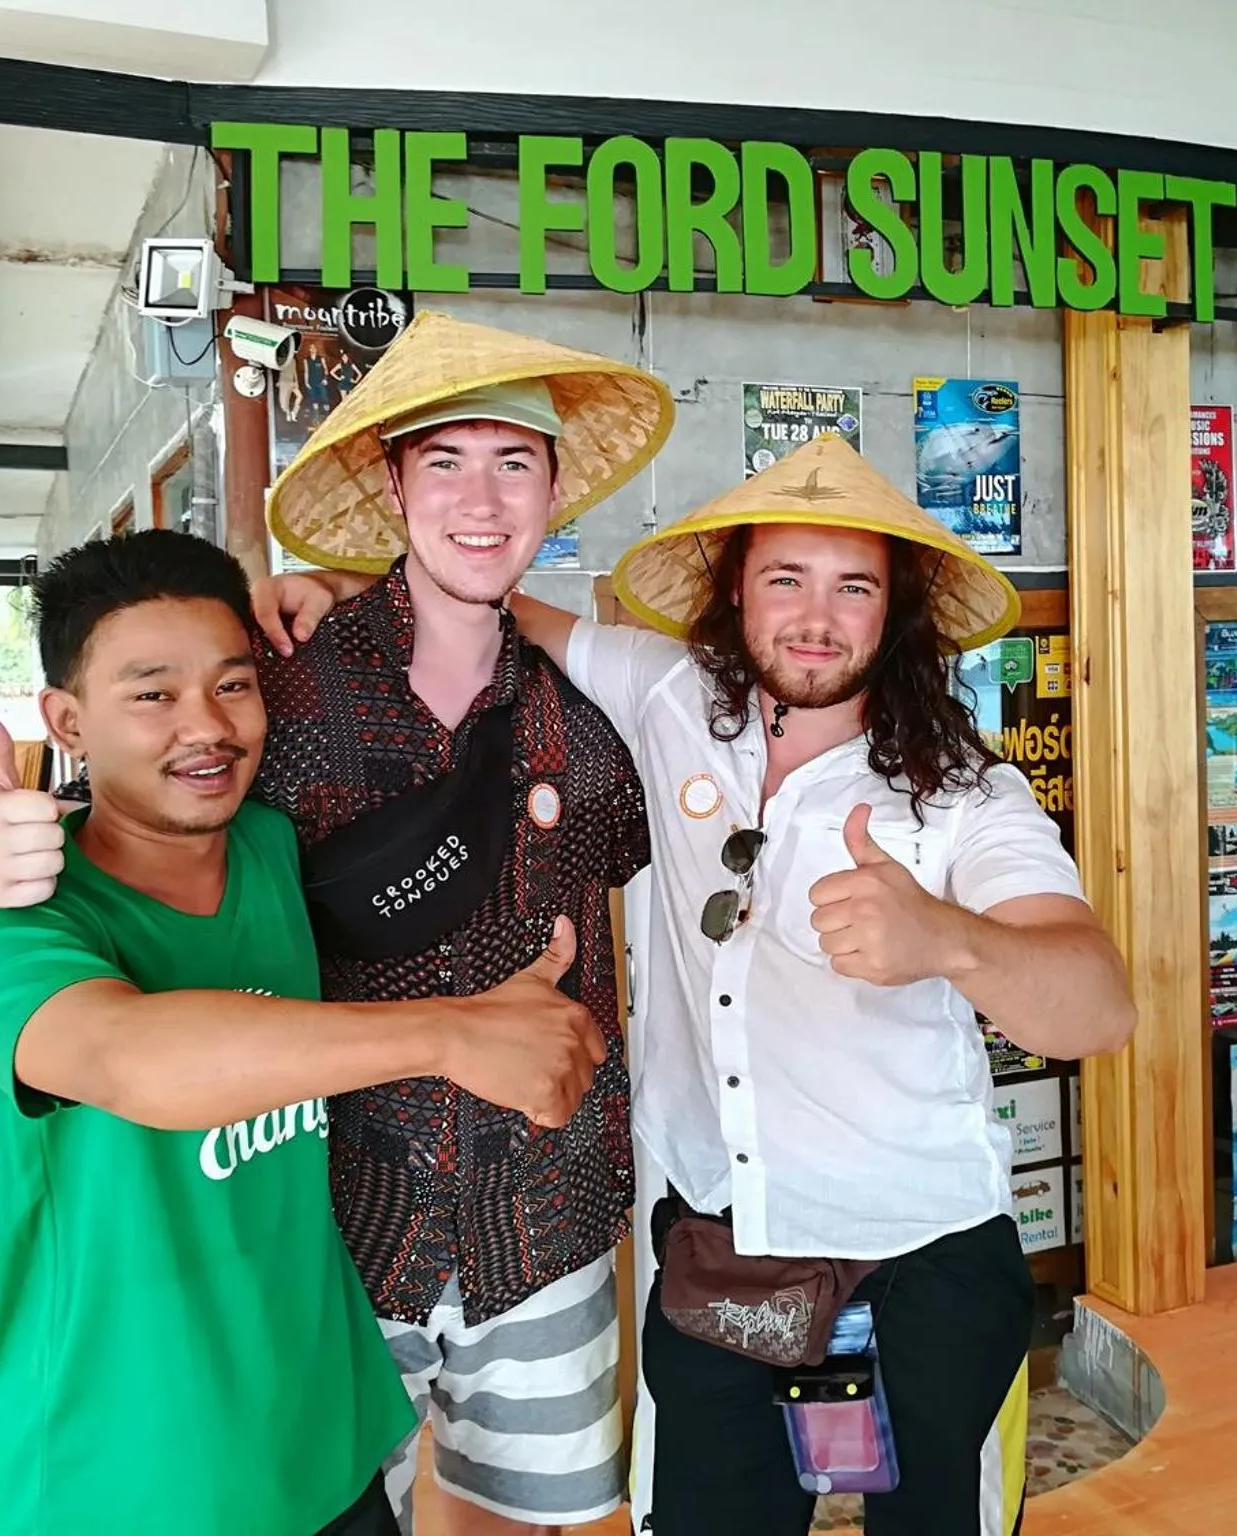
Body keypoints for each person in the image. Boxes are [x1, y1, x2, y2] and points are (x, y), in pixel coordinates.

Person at [259, 433, 1138, 1536]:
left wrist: (949, 940)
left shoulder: (961, 793)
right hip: (713, 1257)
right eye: (785, 579)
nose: (814, 618)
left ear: (895, 609)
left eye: (852, 587)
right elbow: (491, 609)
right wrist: (343, 591)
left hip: (921, 1260)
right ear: (735, 590)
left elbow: (1098, 1003)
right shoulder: (666, 693)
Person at [0, 313, 672, 1536]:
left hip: (544, 1215)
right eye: (443, 461)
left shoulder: (588, 720)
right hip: (336, 1237)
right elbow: (142, 790)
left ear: (555, 488)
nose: (479, 499)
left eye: (514, 463)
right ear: (392, 483)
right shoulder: (288, 685)